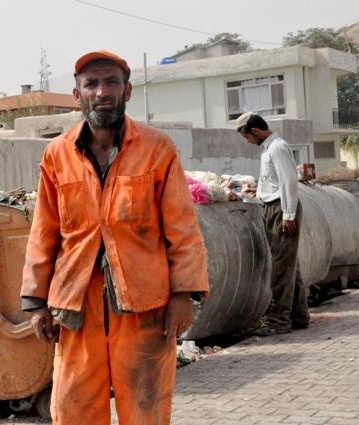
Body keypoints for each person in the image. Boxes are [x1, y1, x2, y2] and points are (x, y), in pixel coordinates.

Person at [20, 50, 209, 424]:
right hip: (77, 305)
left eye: (111, 82)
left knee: (145, 408)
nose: (101, 91)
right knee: (72, 408)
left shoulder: (157, 149)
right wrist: (35, 300)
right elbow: (44, 230)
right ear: (77, 95)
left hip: (144, 305)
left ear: (127, 91)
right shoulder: (56, 155)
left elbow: (183, 228)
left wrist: (183, 294)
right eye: (91, 84)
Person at [235, 112, 310, 336]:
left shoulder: (277, 147)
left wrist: (288, 214)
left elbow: (289, 180)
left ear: (255, 132)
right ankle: (299, 316)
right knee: (289, 266)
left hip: (281, 209)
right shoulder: (269, 148)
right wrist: (258, 190)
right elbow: (275, 180)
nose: (248, 141)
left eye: (247, 137)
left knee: (280, 268)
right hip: (274, 206)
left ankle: (279, 321)